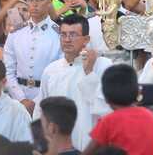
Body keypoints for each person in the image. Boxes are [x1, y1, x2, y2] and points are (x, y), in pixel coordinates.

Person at [33, 14, 112, 150]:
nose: (67, 40)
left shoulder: (103, 66)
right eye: (63, 35)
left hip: (92, 147)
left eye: (73, 34)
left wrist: (89, 73)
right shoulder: (51, 70)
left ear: (86, 39)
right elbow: (40, 111)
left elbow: (106, 110)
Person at [4, 0, 62, 113]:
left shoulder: (59, 34)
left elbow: (60, 73)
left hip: (47, 99)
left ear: (49, 0)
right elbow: (7, 70)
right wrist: (21, 99)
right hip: (17, 99)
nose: (34, 4)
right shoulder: (16, 33)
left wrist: (36, 102)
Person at [84, 64, 153, 155]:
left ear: (105, 97)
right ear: (138, 92)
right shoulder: (151, 116)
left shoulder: (108, 121)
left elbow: (89, 152)